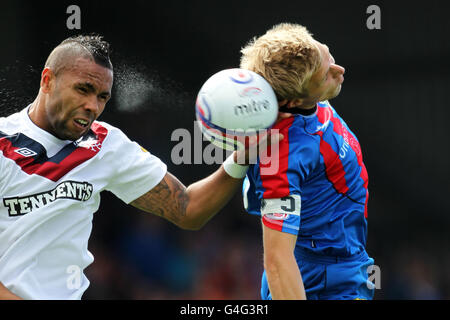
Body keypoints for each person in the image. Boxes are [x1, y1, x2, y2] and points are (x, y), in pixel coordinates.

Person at [0, 35, 271, 300]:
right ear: (47, 80)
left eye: (102, 97)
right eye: (83, 89)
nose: (92, 106)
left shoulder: (105, 144)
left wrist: (241, 157)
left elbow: (188, 209)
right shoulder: (3, 142)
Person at [240, 23, 375, 300]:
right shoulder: (279, 156)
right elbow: (277, 263)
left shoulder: (305, 93)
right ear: (292, 101)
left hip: (350, 262)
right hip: (318, 282)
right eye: (326, 76)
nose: (340, 71)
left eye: (330, 57)